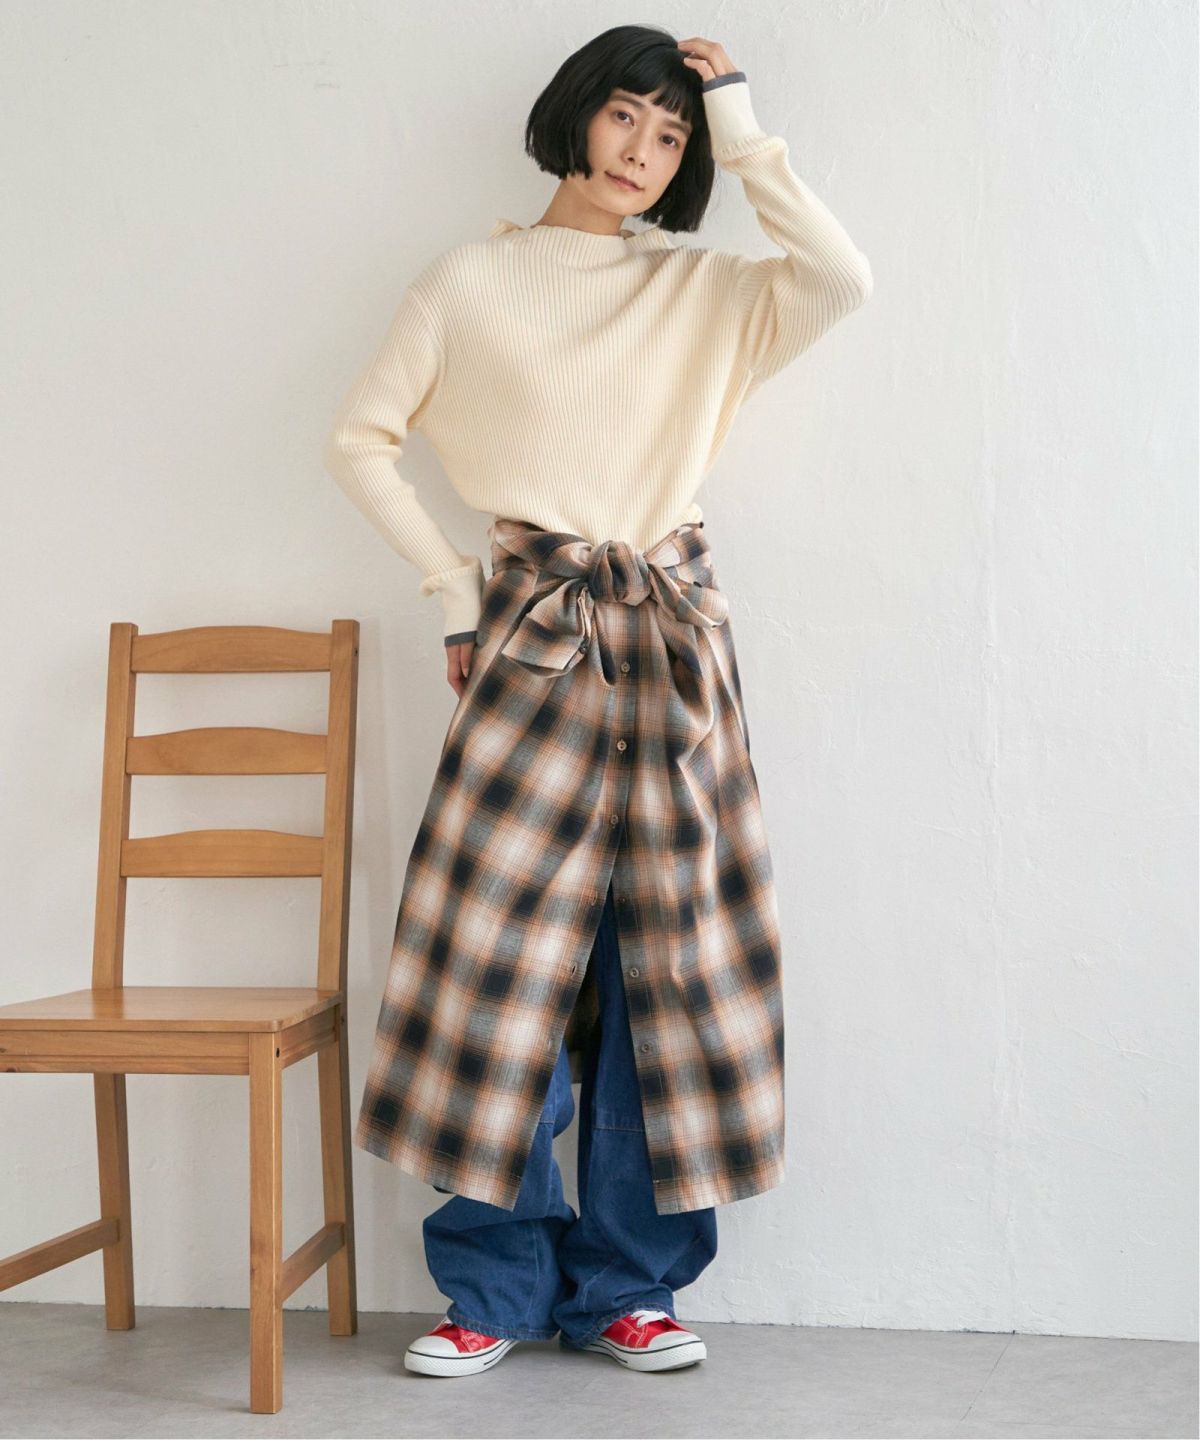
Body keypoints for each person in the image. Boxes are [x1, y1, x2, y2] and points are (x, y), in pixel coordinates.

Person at [323, 24, 872, 1377]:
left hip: (673, 633)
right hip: (533, 631)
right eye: (628, 115)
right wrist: (454, 596)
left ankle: (631, 1286)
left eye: (672, 135)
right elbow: (360, 438)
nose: (643, 150)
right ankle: (493, 1285)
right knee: (496, 967)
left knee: (666, 967)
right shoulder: (470, 279)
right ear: (576, 115)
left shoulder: (706, 292)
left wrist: (738, 117)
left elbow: (841, 277)